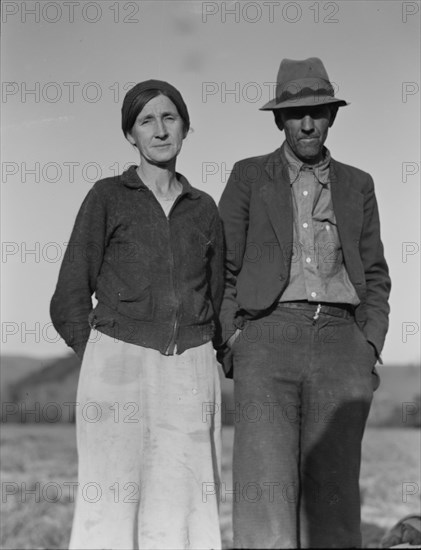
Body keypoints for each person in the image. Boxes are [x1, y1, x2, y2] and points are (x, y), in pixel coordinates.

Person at [217, 58, 391, 548]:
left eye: (318, 111)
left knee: (334, 499)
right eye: (296, 114)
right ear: (279, 120)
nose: (308, 124)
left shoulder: (359, 184)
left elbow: (375, 274)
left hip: (342, 343)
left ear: (332, 115)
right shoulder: (250, 176)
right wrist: (235, 339)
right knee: (264, 496)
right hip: (267, 338)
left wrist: (368, 344)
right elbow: (223, 267)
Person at [50, 80, 224, 550]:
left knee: (185, 500)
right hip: (117, 367)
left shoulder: (204, 210)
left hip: (189, 365)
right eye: (146, 120)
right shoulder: (108, 197)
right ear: (130, 134)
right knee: (112, 501)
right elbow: (68, 295)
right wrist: (104, 356)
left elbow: (217, 295)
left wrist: (211, 352)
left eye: (170, 117)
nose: (160, 130)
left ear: (186, 127)